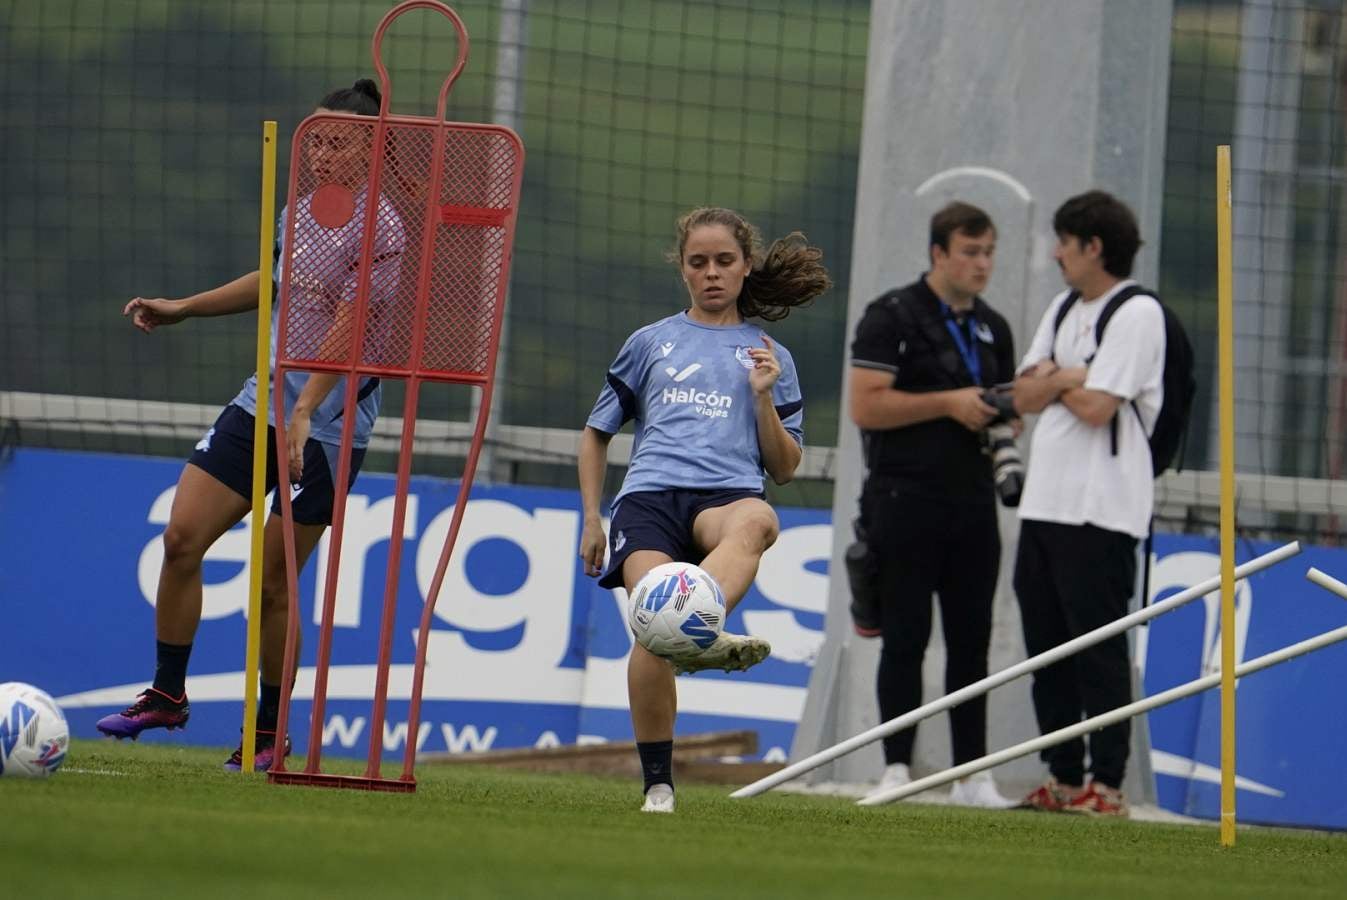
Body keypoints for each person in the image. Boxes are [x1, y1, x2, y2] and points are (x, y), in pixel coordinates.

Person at [96, 79, 407, 771]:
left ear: (369, 150)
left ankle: (268, 732)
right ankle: (167, 695)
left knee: (273, 582)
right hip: (260, 404)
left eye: (338, 144)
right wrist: (185, 307)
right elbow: (275, 280)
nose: (321, 155)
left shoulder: (383, 229)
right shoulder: (303, 211)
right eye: (315, 141)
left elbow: (350, 326)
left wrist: (304, 410)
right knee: (181, 539)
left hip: (328, 427)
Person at [578, 207, 831, 813]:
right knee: (653, 623)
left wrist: (763, 397)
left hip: (726, 497)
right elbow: (595, 433)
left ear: (745, 266)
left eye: (724, 261)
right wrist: (591, 518)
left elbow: (785, 468)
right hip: (650, 499)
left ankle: (695, 633)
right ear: (683, 270)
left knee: (760, 519)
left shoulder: (770, 356)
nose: (711, 272)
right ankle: (659, 787)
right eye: (699, 262)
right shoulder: (649, 342)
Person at [847, 202, 1018, 809]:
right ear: (938, 253)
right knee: (906, 636)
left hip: (973, 503)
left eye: (989, 252)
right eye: (970, 252)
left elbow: (1006, 410)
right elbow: (866, 406)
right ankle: (897, 766)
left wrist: (1009, 413)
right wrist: (949, 403)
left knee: (973, 641)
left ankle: (973, 775)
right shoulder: (891, 314)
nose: (982, 264)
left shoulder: (995, 327)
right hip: (903, 498)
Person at [1011, 190, 1165, 817]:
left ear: (1094, 247)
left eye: (1065, 243)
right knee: (1046, 649)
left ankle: (1107, 784)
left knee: (1098, 650)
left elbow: (1101, 409)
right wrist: (1072, 377)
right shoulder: (1062, 307)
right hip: (1043, 505)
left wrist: (1058, 378)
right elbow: (1021, 395)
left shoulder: (1137, 312)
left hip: (1102, 509)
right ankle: (1063, 776)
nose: (1056, 254)